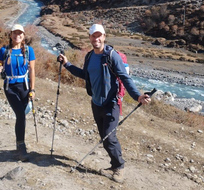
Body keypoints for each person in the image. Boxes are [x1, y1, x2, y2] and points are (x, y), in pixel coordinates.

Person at [58, 24, 151, 183]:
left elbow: (124, 77)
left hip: (112, 103)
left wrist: (138, 96)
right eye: (94, 36)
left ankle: (119, 168)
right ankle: (114, 165)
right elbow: (84, 74)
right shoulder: (89, 57)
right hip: (96, 103)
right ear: (90, 38)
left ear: (104, 36)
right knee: (104, 137)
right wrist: (67, 64)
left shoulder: (111, 56)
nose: (97, 39)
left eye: (99, 35)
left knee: (110, 137)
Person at [0, 24, 36, 161]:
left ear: (23, 36)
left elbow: (32, 70)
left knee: (23, 115)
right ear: (10, 34)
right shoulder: (4, 50)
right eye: (14, 33)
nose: (17, 36)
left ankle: (19, 142)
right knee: (20, 114)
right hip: (10, 86)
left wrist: (32, 89)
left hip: (24, 86)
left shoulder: (29, 51)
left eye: (20, 33)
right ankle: (21, 147)